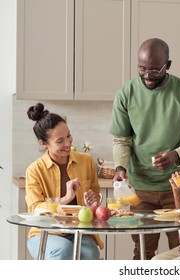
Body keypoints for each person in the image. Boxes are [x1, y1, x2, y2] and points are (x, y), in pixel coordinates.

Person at [109, 37, 180, 259]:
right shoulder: (126, 93)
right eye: (142, 68)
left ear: (168, 65)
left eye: (154, 70)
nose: (147, 75)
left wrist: (176, 154)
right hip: (141, 188)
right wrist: (120, 168)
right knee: (143, 251)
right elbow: (122, 140)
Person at [25, 103, 103, 260]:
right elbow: (34, 208)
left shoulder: (86, 161)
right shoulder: (34, 170)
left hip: (76, 231)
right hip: (43, 233)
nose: (68, 144)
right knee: (63, 250)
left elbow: (96, 195)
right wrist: (64, 199)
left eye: (68, 136)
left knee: (91, 252)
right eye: (60, 141)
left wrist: (94, 202)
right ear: (43, 143)